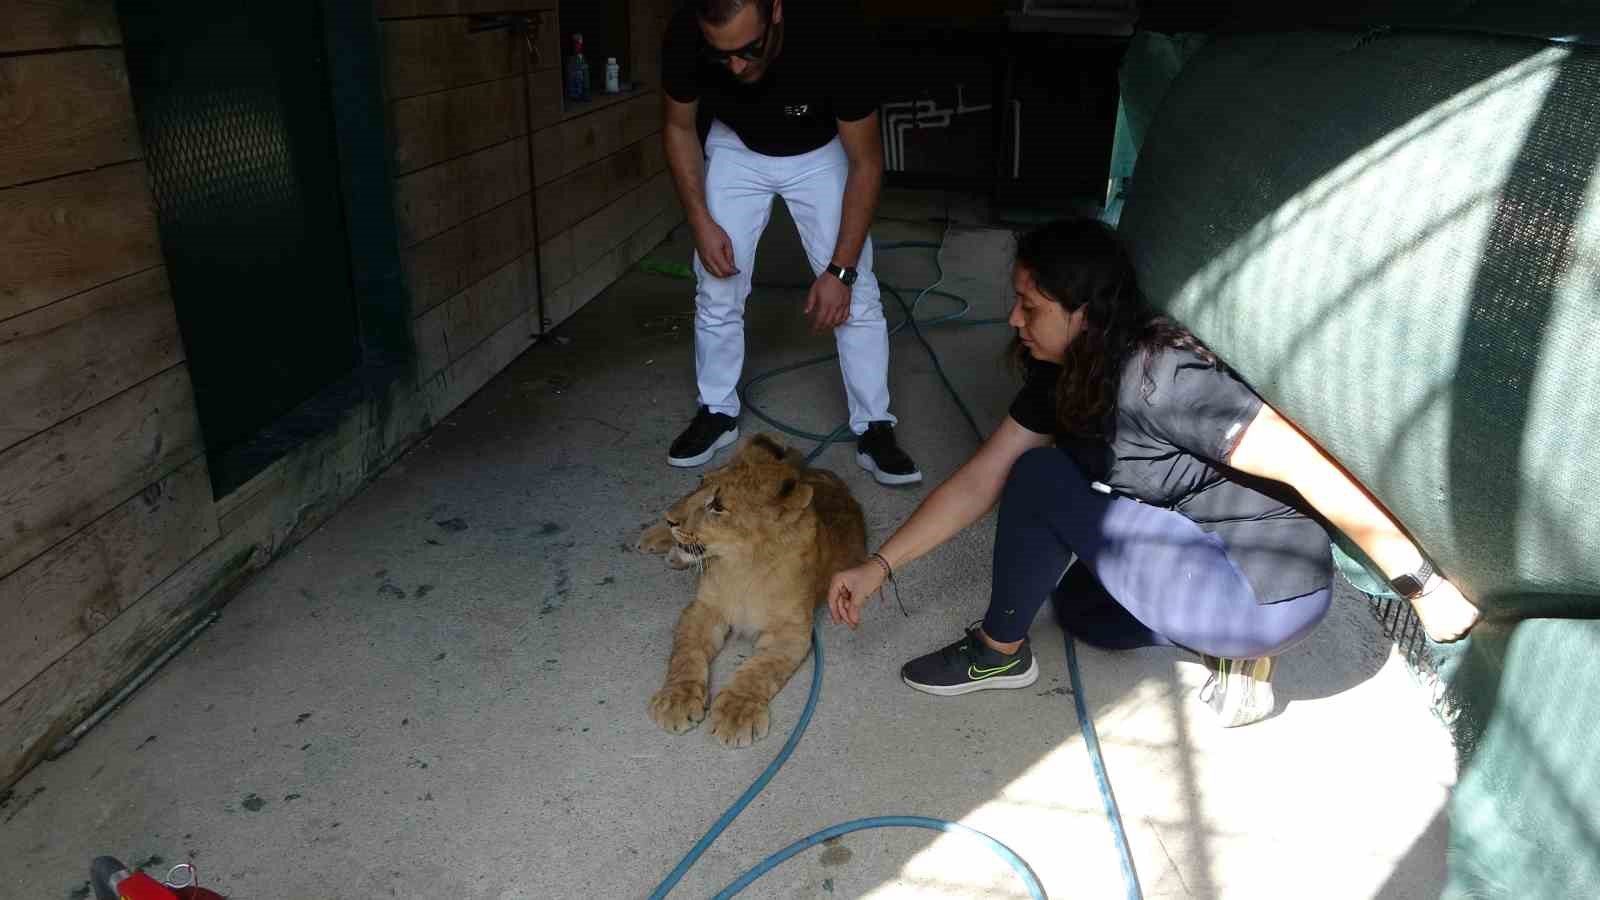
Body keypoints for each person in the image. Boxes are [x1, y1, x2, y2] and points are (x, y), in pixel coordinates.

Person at [826, 219, 1482, 727]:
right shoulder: (1067, 368)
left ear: (1083, 311)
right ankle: (1223, 646)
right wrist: (879, 565)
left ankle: (998, 653)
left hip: (1264, 582)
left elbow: (1308, 465)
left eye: (1031, 306)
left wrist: (1419, 582)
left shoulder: (1162, 378)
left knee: (1041, 478)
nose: (1012, 319)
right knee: (1085, 613)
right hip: (1195, 541)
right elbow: (978, 477)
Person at [658, 0, 921, 486]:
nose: (736, 67)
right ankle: (716, 410)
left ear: (775, 10)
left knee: (856, 292)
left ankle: (875, 427)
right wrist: (700, 221)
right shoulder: (685, 32)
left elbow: (866, 163)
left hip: (821, 150)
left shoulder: (836, 34)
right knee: (715, 281)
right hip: (736, 145)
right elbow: (678, 128)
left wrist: (839, 271)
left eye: (749, 50)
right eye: (723, 56)